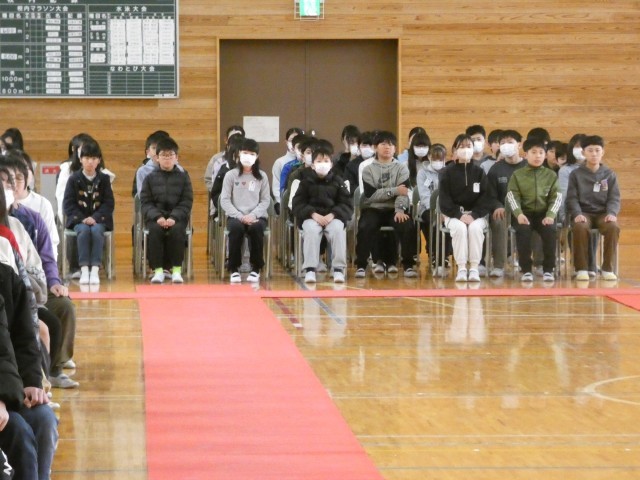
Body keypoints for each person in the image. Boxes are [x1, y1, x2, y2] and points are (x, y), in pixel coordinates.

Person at [0, 259, 58, 480]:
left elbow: (24, 340)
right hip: (6, 393)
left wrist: (32, 381)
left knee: (43, 418)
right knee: (18, 431)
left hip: (9, 389)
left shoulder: (6, 277)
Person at [354, 131, 417, 278]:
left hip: (394, 208)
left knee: (407, 225)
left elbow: (403, 192)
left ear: (395, 149)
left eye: (391, 144)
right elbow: (371, 195)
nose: (387, 147)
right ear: (376, 147)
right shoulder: (368, 169)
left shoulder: (401, 168)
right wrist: (394, 190)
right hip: (373, 208)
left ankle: (408, 265)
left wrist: (400, 209)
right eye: (383, 144)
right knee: (365, 226)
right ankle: (361, 265)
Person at [292, 142, 352, 284]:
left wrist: (333, 215)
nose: (322, 164)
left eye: (326, 161)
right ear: (313, 165)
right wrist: (313, 214)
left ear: (331, 164)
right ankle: (310, 269)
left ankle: (338, 269)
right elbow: (298, 204)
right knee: (311, 231)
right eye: (319, 161)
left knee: (338, 230)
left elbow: (346, 203)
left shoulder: (338, 181)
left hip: (333, 217)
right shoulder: (305, 182)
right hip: (312, 217)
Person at [506, 137, 562, 282]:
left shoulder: (551, 175)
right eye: (534, 152)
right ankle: (526, 270)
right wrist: (518, 214)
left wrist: (550, 215)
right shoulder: (517, 175)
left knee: (550, 232)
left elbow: (556, 197)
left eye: (541, 153)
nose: (538, 156)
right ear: (526, 155)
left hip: (544, 214)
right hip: (524, 214)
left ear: (545, 155)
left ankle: (548, 269)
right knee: (523, 232)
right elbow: (512, 196)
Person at [438, 133, 492, 282]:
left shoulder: (480, 172)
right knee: (460, 229)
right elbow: (444, 199)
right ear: (455, 150)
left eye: (469, 146)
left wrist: (474, 215)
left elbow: (486, 197)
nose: (465, 149)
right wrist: (459, 215)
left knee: (475, 229)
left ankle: (474, 268)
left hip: (476, 215)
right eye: (461, 146)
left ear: (473, 149)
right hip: (454, 215)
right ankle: (461, 268)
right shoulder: (447, 172)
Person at [565, 135, 620, 281]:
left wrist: (612, 213)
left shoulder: (609, 174)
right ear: (583, 152)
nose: (594, 154)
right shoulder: (576, 174)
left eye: (597, 150)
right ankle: (582, 268)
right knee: (580, 227)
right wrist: (577, 213)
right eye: (590, 150)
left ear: (603, 152)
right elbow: (571, 198)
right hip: (584, 213)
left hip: (603, 213)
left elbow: (614, 198)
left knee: (613, 227)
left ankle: (607, 268)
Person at [140, 137, 193, 284]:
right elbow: (145, 202)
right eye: (164, 155)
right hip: (156, 218)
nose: (167, 159)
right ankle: (158, 271)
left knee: (177, 232)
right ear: (157, 158)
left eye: (171, 155)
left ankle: (176, 270)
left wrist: (174, 217)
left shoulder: (184, 177)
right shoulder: (149, 178)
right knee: (155, 231)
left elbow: (186, 201)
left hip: (177, 218)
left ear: (176, 157)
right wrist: (158, 217)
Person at [62, 138, 114, 285]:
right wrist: (82, 218)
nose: (90, 162)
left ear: (99, 160)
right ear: (80, 159)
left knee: (96, 231)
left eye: (94, 158)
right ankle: (84, 269)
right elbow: (68, 204)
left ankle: (95, 269)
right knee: (84, 231)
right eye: (86, 158)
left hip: (99, 221)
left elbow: (108, 203)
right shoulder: (73, 179)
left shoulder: (104, 179)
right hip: (79, 221)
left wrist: (95, 217)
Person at [220, 138, 270, 284]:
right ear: (239, 154)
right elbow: (225, 200)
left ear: (257, 156)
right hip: (236, 216)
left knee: (256, 229)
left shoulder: (262, 176)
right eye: (245, 153)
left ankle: (256, 268)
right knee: (236, 229)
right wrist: (240, 216)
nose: (248, 156)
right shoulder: (231, 175)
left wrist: (253, 215)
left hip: (257, 216)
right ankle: (233, 268)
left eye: (252, 154)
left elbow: (265, 200)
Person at [4, 151, 59, 260]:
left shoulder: (42, 205)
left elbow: (50, 245)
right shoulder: (5, 207)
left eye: (23, 170)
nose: (14, 181)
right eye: (11, 176)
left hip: (35, 265)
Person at [485, 130, 526, 278]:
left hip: (524, 210)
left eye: (510, 142)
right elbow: (490, 196)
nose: (506, 145)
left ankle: (529, 265)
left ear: (519, 144)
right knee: (497, 220)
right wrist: (497, 206)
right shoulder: (496, 169)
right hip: (503, 210)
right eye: (502, 143)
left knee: (533, 221)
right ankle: (498, 266)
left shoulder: (528, 166)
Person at [416, 142, 449, 275]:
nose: (437, 162)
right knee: (434, 220)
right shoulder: (422, 173)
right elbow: (424, 195)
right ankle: (435, 254)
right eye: (435, 158)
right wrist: (435, 210)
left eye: (440, 159)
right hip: (427, 208)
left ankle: (445, 255)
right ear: (429, 157)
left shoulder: (448, 172)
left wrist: (445, 210)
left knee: (448, 221)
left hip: (445, 208)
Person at [204, 125, 245, 193]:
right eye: (232, 140)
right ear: (226, 140)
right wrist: (217, 193)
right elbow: (208, 180)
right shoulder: (217, 159)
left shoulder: (247, 160)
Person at [272, 127, 304, 212]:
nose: (294, 143)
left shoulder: (306, 162)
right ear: (286, 142)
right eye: (292, 140)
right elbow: (277, 187)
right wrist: (281, 202)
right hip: (282, 202)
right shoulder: (280, 162)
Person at [133, 130, 170, 198]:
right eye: (154, 148)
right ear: (148, 152)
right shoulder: (142, 171)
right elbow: (138, 195)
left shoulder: (178, 169)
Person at [344, 131, 375, 195]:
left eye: (370, 145)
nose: (367, 148)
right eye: (364, 145)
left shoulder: (380, 162)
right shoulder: (351, 166)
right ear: (358, 147)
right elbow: (350, 186)